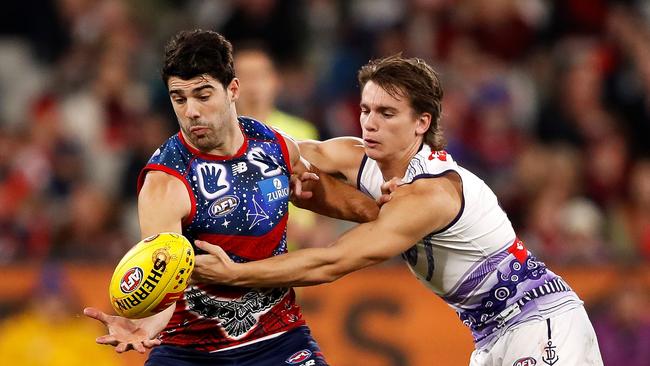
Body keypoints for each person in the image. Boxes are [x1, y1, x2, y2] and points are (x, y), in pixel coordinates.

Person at [191, 55, 605, 365]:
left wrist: (237, 275)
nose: (370, 123)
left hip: (539, 322)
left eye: (387, 114)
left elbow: (332, 262)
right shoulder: (364, 160)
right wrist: (213, 122)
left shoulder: (430, 194)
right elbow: (293, 150)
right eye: (366, 109)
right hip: (492, 333)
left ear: (421, 123)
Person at [83, 29, 379, 366]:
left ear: (232, 90)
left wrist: (382, 212)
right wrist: (144, 324)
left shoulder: (273, 145)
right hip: (190, 352)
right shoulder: (165, 183)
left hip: (277, 340)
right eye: (179, 98)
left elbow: (321, 192)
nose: (191, 111)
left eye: (203, 95)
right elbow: (164, 281)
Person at [234, 45, 334, 250]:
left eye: (260, 75)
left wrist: (320, 228)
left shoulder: (303, 132)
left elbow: (323, 193)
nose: (253, 85)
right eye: (245, 76)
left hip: (299, 253)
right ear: (230, 86)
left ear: (275, 81)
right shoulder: (220, 139)